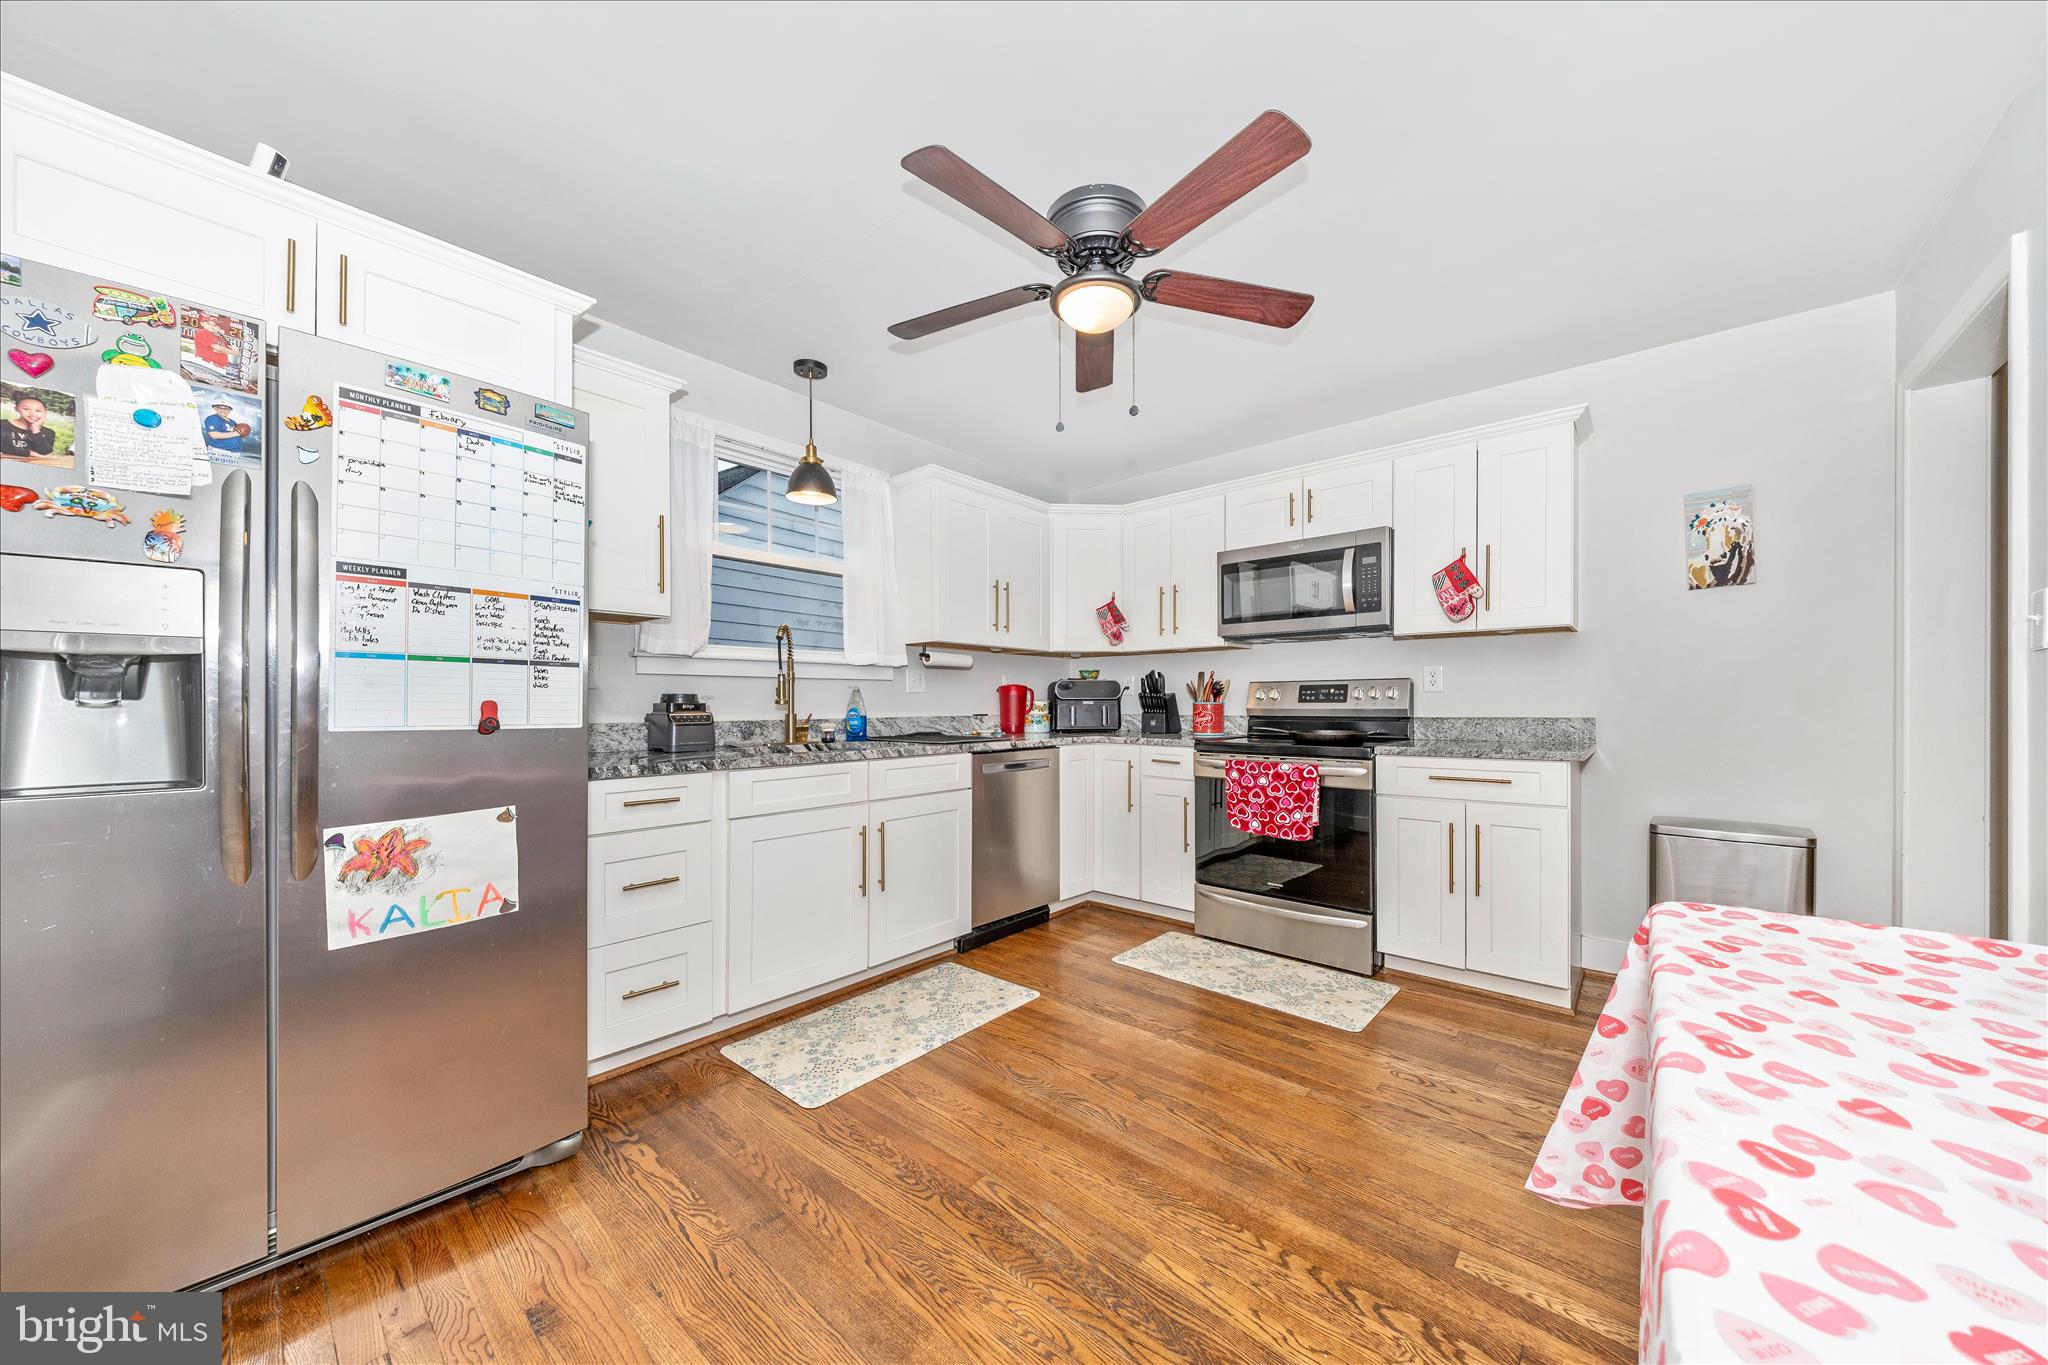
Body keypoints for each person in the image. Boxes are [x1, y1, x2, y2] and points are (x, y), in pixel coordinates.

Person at [1, 394, 58, 460]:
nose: (33, 414)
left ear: (45, 413)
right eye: (26, 409)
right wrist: (29, 453)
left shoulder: (49, 432)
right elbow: (3, 447)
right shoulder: (3, 425)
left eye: (38, 410)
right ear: (16, 409)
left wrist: (35, 430)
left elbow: (45, 451)